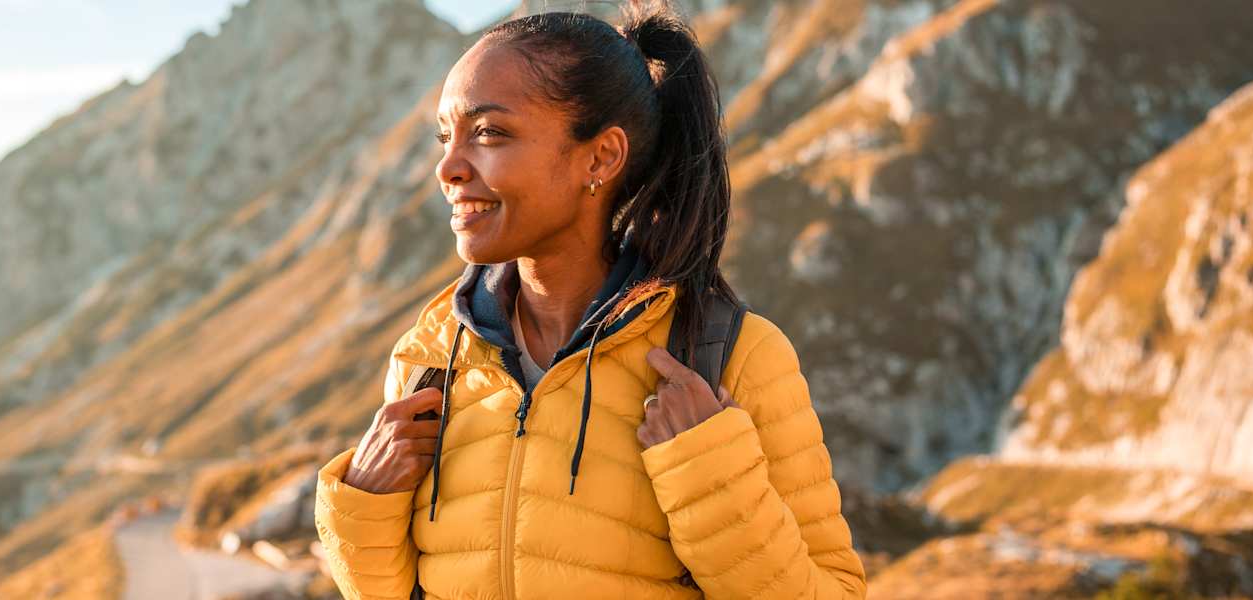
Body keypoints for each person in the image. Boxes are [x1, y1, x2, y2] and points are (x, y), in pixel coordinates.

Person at [313, 2, 867, 598]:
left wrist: (711, 477)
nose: (448, 166)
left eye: (489, 132)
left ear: (601, 157)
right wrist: (366, 504)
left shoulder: (733, 356)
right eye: (447, 137)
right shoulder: (425, 358)